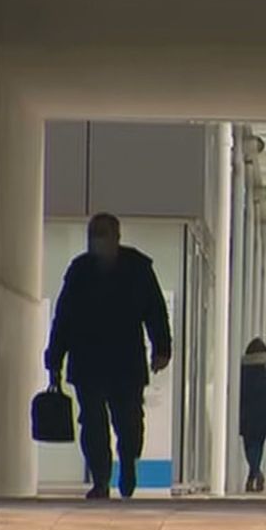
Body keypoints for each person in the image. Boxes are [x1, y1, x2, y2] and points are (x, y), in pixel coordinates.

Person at [44, 213, 173, 499]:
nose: (99, 242)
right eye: (94, 236)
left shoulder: (138, 268)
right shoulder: (79, 271)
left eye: (103, 235)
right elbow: (63, 317)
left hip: (125, 361)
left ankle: (127, 462)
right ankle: (101, 478)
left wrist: (162, 347)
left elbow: (155, 311)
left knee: (128, 421)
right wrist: (54, 358)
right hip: (88, 360)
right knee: (92, 422)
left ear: (117, 237)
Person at [239, 338, 266, 493]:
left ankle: (254, 473)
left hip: (246, 411)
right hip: (264, 412)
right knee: (258, 445)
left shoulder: (243, 368)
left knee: (248, 445)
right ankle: (254, 473)